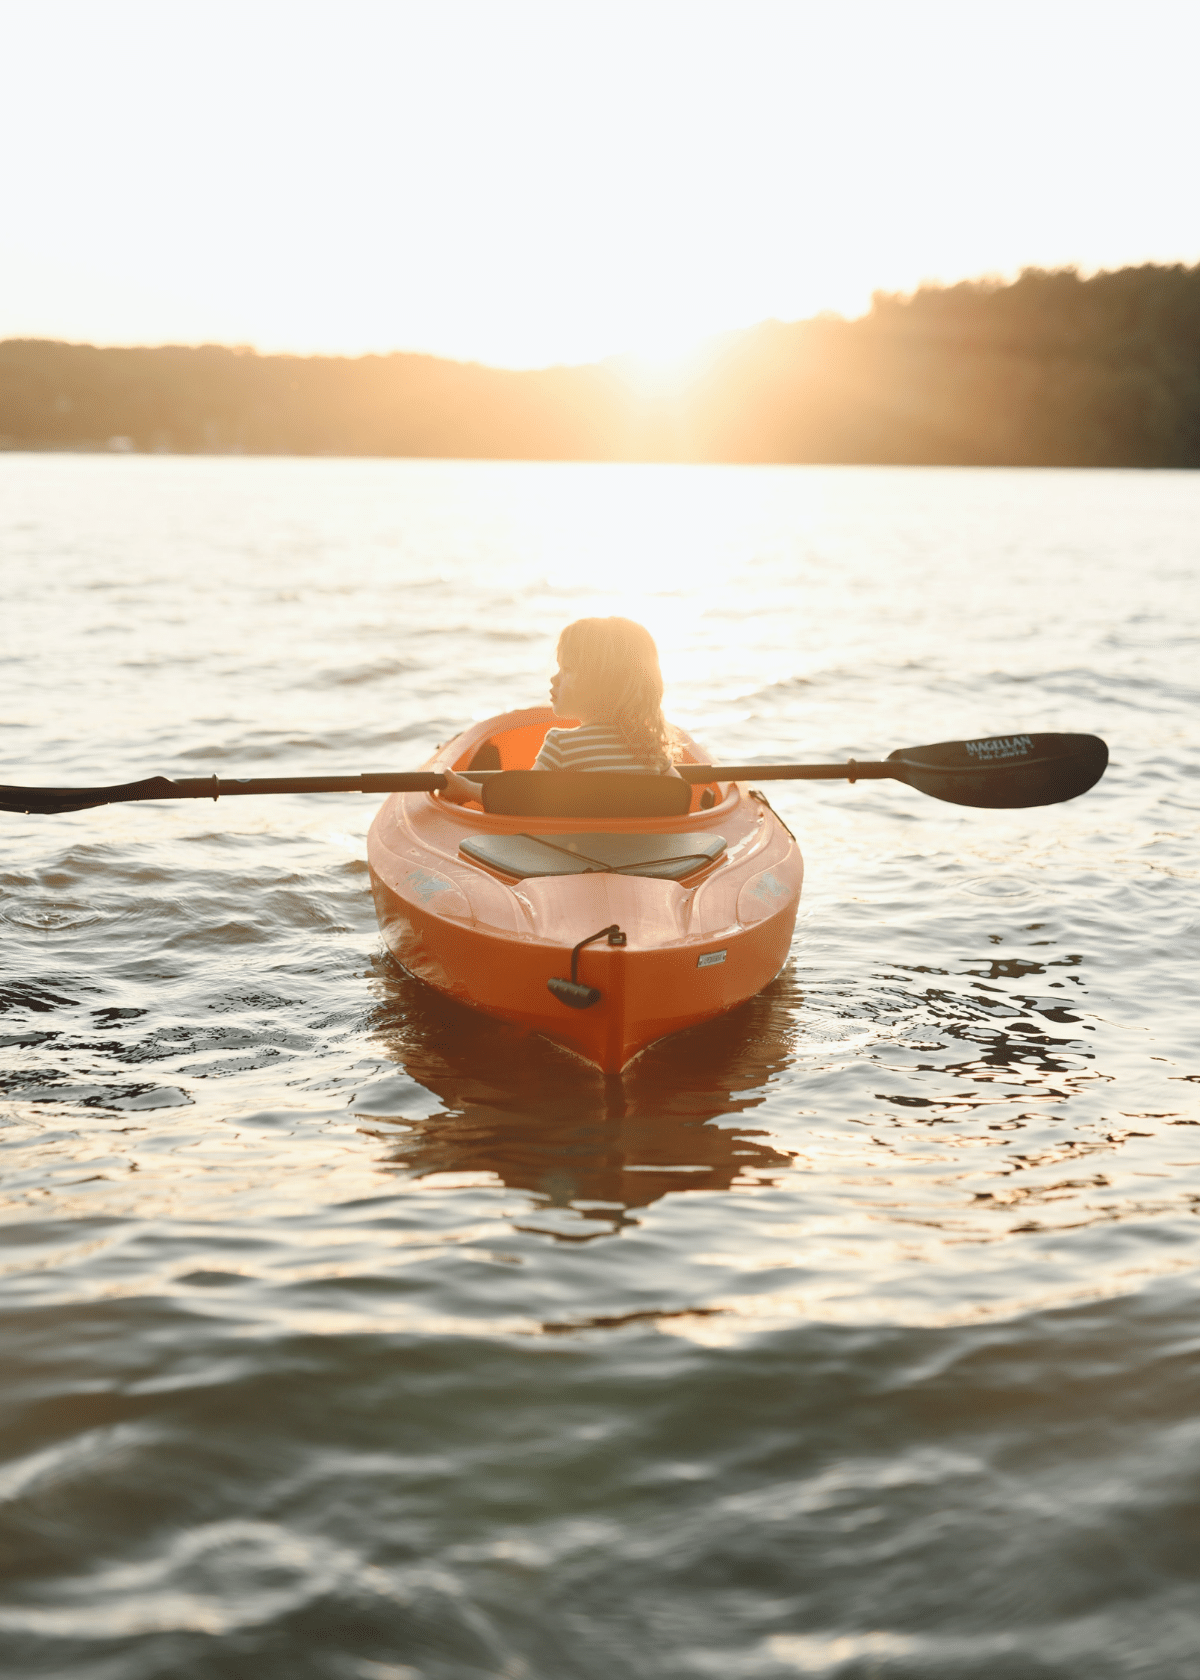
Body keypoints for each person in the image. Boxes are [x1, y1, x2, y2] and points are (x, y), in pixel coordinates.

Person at [441, 616, 679, 804]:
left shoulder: (561, 745)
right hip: (643, 857)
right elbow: (680, 795)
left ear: (598, 683)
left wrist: (467, 789)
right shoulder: (649, 747)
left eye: (567, 670)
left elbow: (519, 801)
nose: (554, 678)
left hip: (573, 854)